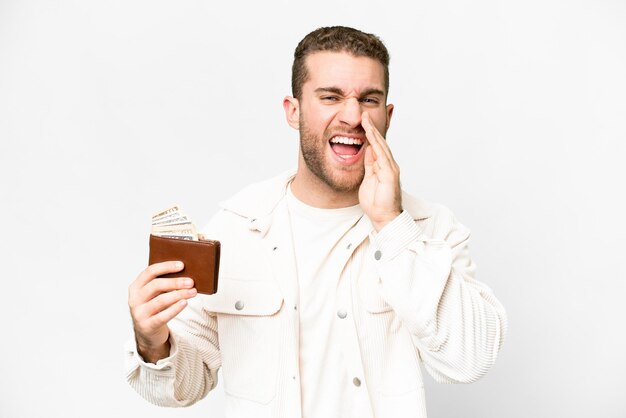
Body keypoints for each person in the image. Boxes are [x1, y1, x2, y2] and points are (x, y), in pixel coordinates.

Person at [125, 26, 507, 418]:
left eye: (369, 99)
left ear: (387, 115)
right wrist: (152, 341)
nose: (354, 116)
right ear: (294, 111)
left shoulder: (429, 228)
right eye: (331, 97)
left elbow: (469, 360)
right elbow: (184, 385)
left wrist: (392, 224)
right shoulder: (236, 228)